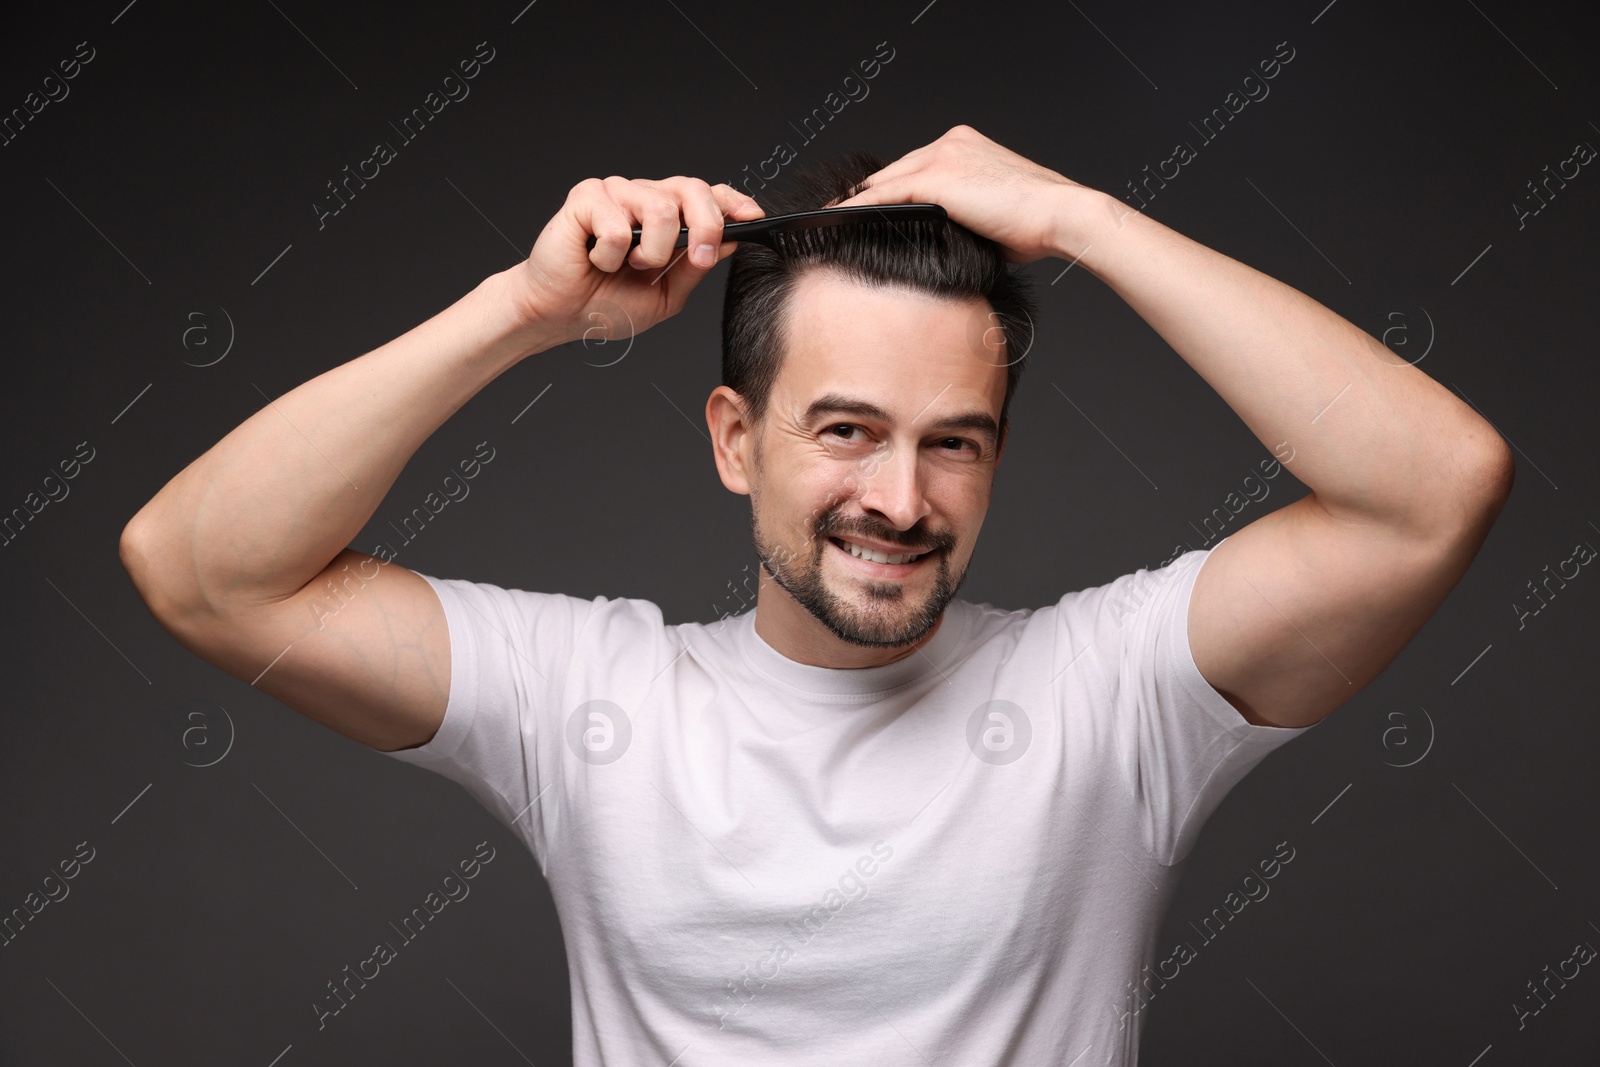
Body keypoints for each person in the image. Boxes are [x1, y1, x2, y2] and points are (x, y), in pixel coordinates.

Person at [119, 125, 1513, 1064]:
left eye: (949, 440)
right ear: (737, 439)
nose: (899, 500)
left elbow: (1434, 485)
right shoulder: (589, 699)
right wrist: (522, 310)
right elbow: (200, 568)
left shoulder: (1114, 694)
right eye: (845, 429)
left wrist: (1084, 219)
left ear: (994, 454)